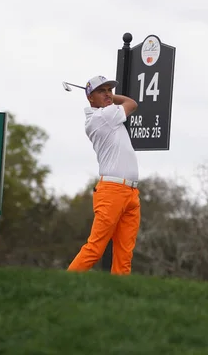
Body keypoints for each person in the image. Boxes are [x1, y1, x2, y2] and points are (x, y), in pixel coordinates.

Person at [67, 75, 141, 275]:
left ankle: (118, 298)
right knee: (95, 248)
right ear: (90, 98)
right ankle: (64, 285)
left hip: (131, 192)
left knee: (124, 254)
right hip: (112, 192)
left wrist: (106, 96)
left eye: (110, 90)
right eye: (102, 91)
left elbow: (127, 104)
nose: (108, 94)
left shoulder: (108, 115)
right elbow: (132, 103)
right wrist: (113, 99)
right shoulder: (102, 117)